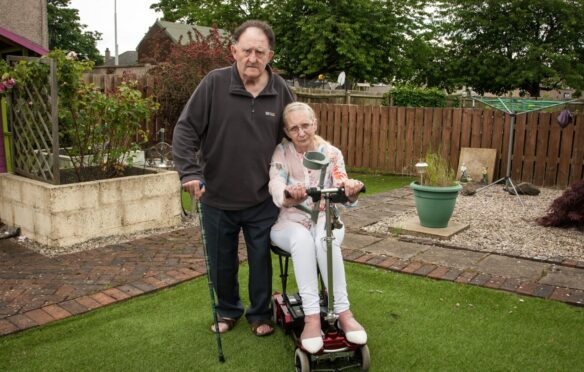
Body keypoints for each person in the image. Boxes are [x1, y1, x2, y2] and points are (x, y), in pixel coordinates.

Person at [172, 20, 295, 337]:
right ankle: (227, 311)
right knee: (221, 261)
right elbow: (186, 130)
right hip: (216, 196)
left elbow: (297, 136)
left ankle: (259, 313)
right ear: (234, 51)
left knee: (260, 262)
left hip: (261, 198)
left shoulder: (280, 90)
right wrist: (189, 172)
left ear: (270, 55)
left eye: (259, 51)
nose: (252, 57)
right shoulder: (214, 83)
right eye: (246, 50)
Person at [268, 102, 367, 353]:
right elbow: (275, 184)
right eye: (294, 128)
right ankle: (312, 318)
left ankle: (343, 312)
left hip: (326, 217)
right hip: (289, 222)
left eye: (305, 125)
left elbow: (342, 184)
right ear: (286, 131)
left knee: (325, 239)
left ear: (315, 124)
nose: (300, 133)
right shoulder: (282, 152)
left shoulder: (332, 153)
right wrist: (289, 195)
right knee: (302, 240)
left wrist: (351, 191)